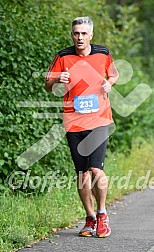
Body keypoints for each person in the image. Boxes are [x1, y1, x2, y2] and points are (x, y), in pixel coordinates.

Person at [45, 16, 119, 238]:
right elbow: (48, 86)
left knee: (95, 169)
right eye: (76, 33)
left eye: (84, 33)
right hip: (74, 122)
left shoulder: (103, 53)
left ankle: (103, 214)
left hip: (99, 120)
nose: (80, 37)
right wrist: (57, 78)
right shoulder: (63, 57)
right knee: (82, 174)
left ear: (91, 35)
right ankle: (90, 218)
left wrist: (110, 83)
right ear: (72, 35)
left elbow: (115, 73)